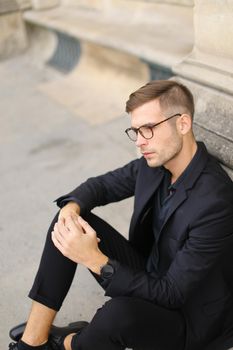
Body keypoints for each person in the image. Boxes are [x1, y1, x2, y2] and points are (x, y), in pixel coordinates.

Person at [9, 80, 233, 350]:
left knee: (115, 316)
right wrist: (71, 208)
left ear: (183, 124)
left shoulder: (215, 202)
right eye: (136, 131)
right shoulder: (154, 163)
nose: (140, 142)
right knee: (68, 223)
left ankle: (66, 343)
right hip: (151, 273)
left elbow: (172, 294)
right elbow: (100, 186)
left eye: (148, 129)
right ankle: (33, 342)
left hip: (187, 320)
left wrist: (97, 261)